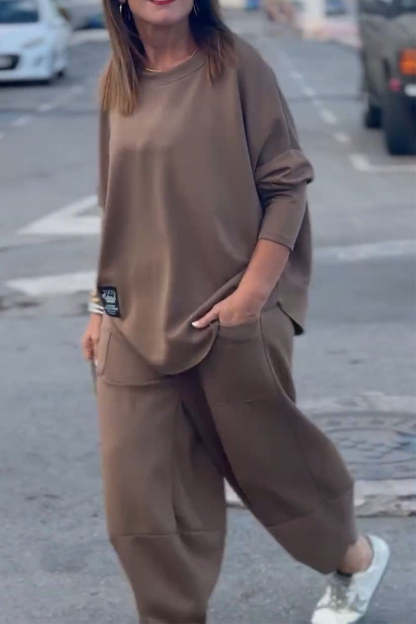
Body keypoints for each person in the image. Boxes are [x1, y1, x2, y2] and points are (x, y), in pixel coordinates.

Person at [81, 1, 390, 622]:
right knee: (138, 503)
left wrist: (249, 298)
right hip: (133, 318)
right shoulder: (117, 82)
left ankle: (353, 558)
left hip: (231, 311)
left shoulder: (239, 68)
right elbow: (119, 209)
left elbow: (286, 186)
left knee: (272, 472)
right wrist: (99, 306)